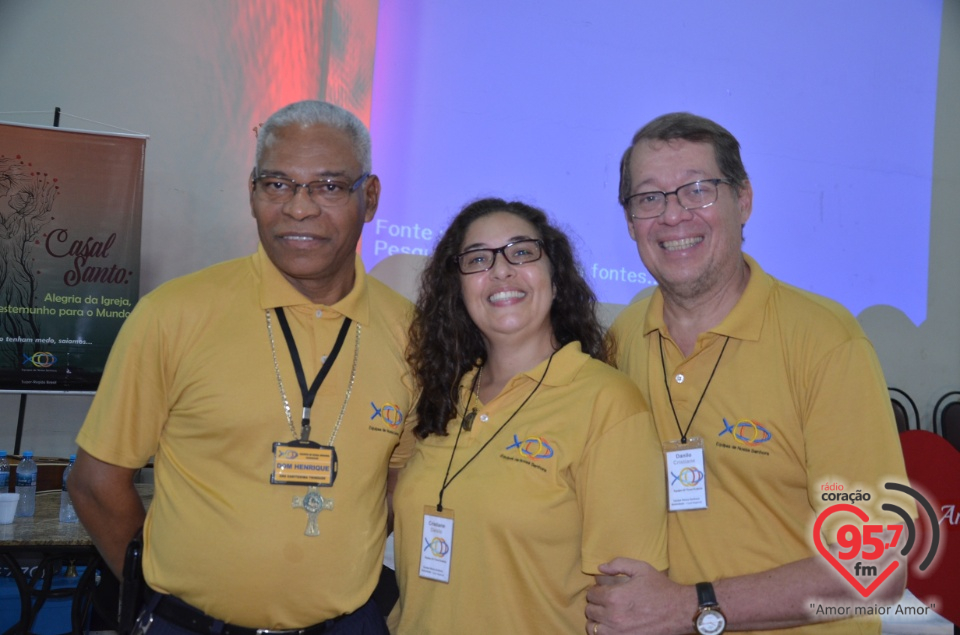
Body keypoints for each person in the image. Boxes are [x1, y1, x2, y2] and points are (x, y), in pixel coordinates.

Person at [68, 100, 413, 634]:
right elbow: (94, 484)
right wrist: (155, 604)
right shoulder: (174, 315)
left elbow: (400, 480)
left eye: (328, 186)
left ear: (368, 198)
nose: (299, 208)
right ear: (253, 191)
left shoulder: (410, 335)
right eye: (278, 184)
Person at [586, 112, 910, 635]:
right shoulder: (623, 337)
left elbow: (876, 565)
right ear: (629, 222)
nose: (672, 215)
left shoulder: (824, 341)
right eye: (649, 198)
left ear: (745, 200)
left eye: (697, 189)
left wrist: (689, 606)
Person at [388, 198, 668, 634]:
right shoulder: (445, 396)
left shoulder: (607, 403)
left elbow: (628, 598)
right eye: (478, 259)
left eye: (522, 252)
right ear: (458, 291)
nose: (501, 271)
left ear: (556, 279)